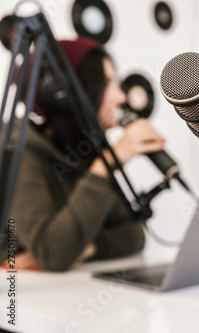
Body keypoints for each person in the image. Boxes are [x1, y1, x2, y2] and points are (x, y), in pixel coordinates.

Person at [1, 37, 165, 271]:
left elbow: (133, 235)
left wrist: (87, 247)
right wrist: (106, 164)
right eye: (107, 82)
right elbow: (53, 253)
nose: (121, 97)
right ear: (62, 94)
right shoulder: (19, 152)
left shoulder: (85, 147)